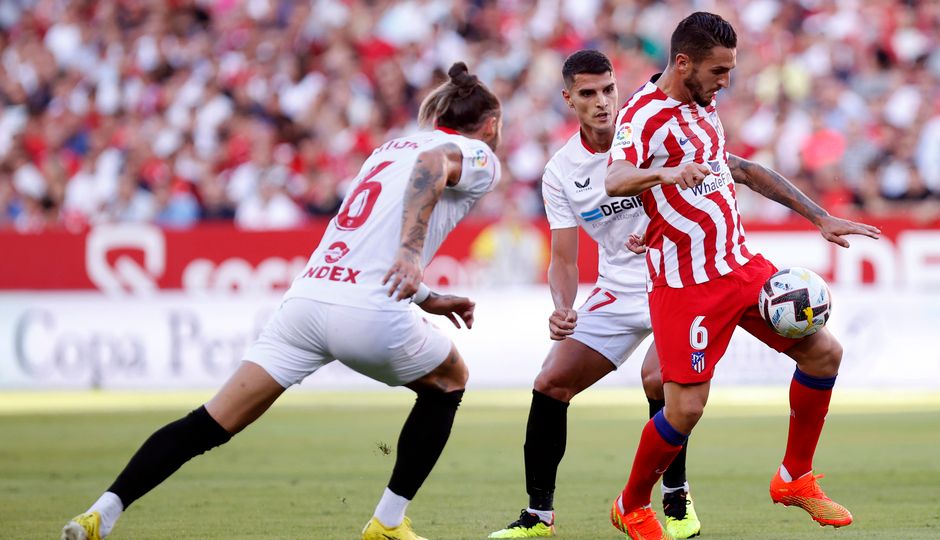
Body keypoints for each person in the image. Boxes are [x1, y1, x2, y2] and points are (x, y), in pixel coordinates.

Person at [61, 62, 502, 540]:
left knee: (209, 421)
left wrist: (427, 295)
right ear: (492, 124)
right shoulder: (477, 153)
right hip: (368, 313)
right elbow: (433, 167)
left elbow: (369, 239)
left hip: (307, 302)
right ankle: (388, 522)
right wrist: (413, 255)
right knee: (451, 380)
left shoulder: (388, 149)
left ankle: (100, 513)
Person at [604, 12, 881, 539]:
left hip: (739, 265)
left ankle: (793, 477)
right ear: (682, 62)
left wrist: (818, 215)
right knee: (685, 407)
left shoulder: (704, 107)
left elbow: (742, 169)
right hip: (685, 282)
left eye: (729, 70)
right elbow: (615, 178)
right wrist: (664, 173)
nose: (725, 81)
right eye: (718, 71)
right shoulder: (643, 116)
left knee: (825, 353)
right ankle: (632, 504)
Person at [489, 50, 701, 540]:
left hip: (674, 278)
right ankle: (538, 517)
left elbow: (699, 190)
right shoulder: (561, 171)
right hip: (616, 290)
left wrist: (662, 228)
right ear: (569, 99)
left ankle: (674, 497)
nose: (603, 102)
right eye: (589, 93)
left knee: (659, 379)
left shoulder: (648, 131)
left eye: (608, 89)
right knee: (550, 383)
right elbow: (564, 259)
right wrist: (563, 307)